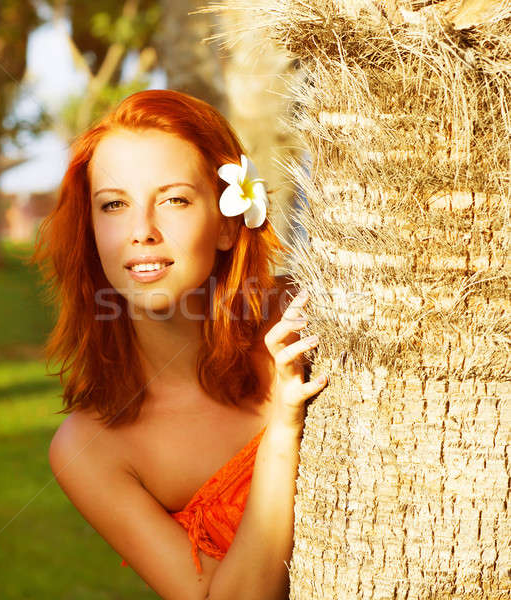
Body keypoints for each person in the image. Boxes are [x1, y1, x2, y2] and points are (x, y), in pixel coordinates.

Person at [32, 89, 328, 600]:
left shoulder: (307, 318)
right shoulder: (92, 448)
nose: (141, 231)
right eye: (114, 205)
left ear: (228, 225)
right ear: (92, 231)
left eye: (173, 200)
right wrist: (283, 426)